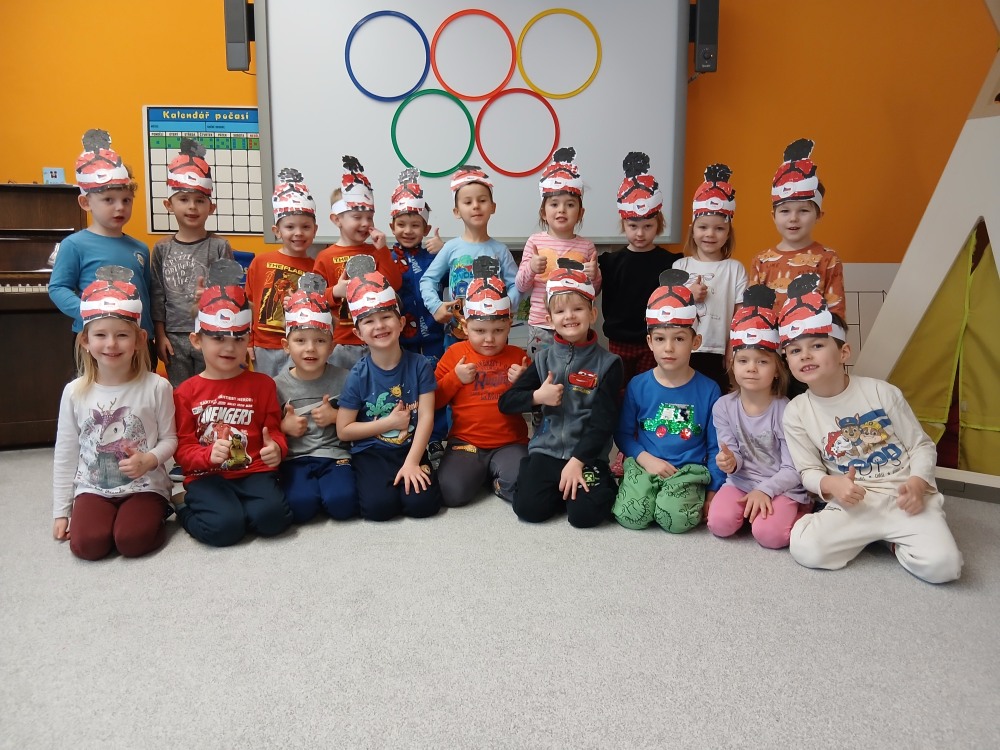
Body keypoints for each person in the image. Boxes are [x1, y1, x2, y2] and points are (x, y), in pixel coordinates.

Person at [779, 274, 963, 583]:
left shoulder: (881, 392)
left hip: (902, 496)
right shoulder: (796, 411)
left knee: (945, 567)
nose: (805, 355)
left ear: (844, 353)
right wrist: (831, 484)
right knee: (806, 549)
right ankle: (860, 533)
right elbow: (808, 470)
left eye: (817, 345)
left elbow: (921, 446)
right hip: (854, 501)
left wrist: (917, 484)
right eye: (795, 351)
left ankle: (891, 541)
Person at [52, 266, 176, 560]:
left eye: (122, 335)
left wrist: (150, 459)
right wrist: (61, 511)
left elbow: (170, 439)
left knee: (132, 541)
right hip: (93, 488)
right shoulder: (74, 391)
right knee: (88, 545)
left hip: (146, 486)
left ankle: (161, 508)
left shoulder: (157, 386)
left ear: (140, 339)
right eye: (100, 335)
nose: (111, 344)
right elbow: (66, 452)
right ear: (85, 341)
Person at [172, 259, 293, 546]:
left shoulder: (263, 385)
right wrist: (206, 456)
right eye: (217, 338)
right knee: (225, 530)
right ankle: (183, 506)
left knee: (274, 520)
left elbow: (274, 431)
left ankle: (237, 510)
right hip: (206, 475)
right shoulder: (185, 392)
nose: (229, 347)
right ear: (197, 340)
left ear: (248, 341)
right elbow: (183, 449)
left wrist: (277, 448)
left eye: (239, 339)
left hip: (254, 470)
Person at [498, 260, 622, 527]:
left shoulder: (609, 364)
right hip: (547, 451)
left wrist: (578, 461)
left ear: (592, 314)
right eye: (560, 311)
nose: (569, 316)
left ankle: (598, 483)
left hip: (586, 455)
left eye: (578, 309)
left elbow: (603, 423)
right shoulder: (543, 360)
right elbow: (506, 402)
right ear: (549, 319)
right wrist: (537, 397)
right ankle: (549, 484)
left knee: (584, 517)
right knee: (529, 510)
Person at [612, 269, 726, 534]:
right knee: (631, 516)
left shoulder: (710, 390)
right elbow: (623, 434)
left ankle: (670, 497)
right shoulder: (638, 385)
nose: (669, 348)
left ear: (695, 341)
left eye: (679, 339)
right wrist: (646, 460)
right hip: (646, 464)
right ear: (650, 342)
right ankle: (649, 492)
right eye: (660, 339)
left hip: (688, 471)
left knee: (676, 521)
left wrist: (713, 491)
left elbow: (716, 446)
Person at [335, 256, 442, 521]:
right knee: (379, 509)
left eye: (386, 317)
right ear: (359, 333)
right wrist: (388, 423)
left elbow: (426, 417)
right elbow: (344, 430)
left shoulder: (419, 365)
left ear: (401, 323)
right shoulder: (358, 375)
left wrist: (413, 462)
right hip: (371, 452)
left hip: (410, 447)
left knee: (422, 506)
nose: (380, 326)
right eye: (369, 321)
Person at [706, 285, 811, 548]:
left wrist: (765, 490)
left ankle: (803, 510)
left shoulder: (787, 409)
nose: (751, 368)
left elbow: (793, 468)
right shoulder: (723, 406)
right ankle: (753, 512)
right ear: (733, 365)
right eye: (743, 361)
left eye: (762, 362)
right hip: (741, 481)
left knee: (770, 536)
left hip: (782, 486)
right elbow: (732, 454)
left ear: (777, 370)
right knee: (719, 524)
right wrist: (730, 462)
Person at [49, 129, 156, 368]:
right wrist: (90, 311)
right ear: (85, 202)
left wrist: (149, 334)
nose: (120, 207)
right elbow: (58, 288)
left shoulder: (140, 248)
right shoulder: (74, 244)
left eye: (126, 200)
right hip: (95, 341)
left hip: (138, 340)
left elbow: (146, 295)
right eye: (109, 200)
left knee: (140, 388)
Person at [435, 258, 531, 507]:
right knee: (450, 493)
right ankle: (480, 474)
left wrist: (523, 384)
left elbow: (535, 403)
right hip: (465, 442)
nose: (489, 339)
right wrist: (455, 378)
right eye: (480, 331)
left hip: (510, 443)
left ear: (509, 324)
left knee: (526, 486)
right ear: (465, 326)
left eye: (498, 331)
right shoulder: (454, 354)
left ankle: (495, 481)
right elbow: (434, 401)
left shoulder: (518, 356)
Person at [273, 273, 357, 522]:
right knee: (300, 508)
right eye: (300, 341)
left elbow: (363, 417)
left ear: (332, 346)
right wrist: (283, 426)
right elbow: (264, 429)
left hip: (336, 456)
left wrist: (337, 416)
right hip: (295, 459)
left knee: (344, 505)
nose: (310, 348)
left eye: (320, 341)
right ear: (286, 346)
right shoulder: (276, 385)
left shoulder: (346, 378)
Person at [150, 138, 234, 388]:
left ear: (211, 207)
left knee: (212, 389)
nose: (192, 207)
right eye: (184, 199)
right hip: (174, 337)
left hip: (211, 332)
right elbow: (157, 295)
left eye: (199, 200)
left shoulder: (219, 246)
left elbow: (230, 295)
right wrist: (160, 335)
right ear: (169, 205)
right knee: (182, 394)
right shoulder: (161, 249)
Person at [598, 151, 682, 389]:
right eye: (633, 226)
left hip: (653, 340)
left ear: (659, 224)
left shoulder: (670, 262)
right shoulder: (610, 262)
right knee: (618, 390)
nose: (640, 233)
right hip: (619, 339)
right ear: (623, 224)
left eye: (648, 226)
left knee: (648, 388)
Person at [314, 155, 402, 370]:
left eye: (370, 217)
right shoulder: (325, 257)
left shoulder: (376, 251)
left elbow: (395, 284)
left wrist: (383, 250)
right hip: (341, 343)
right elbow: (314, 299)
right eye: (357, 217)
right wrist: (335, 292)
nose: (365, 223)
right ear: (336, 219)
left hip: (377, 340)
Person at [419, 165, 520, 347]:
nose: (475, 206)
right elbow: (428, 280)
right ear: (456, 211)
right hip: (457, 332)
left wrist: (507, 305)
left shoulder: (500, 250)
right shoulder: (450, 248)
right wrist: (435, 306)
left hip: (493, 335)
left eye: (482, 200)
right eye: (467, 202)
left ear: (493, 207)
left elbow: (516, 284)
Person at [515, 147, 601, 357]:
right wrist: (532, 268)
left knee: (575, 368)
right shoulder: (535, 242)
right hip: (541, 324)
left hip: (575, 326)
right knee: (540, 370)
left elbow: (595, 291)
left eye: (570, 205)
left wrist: (594, 276)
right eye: (554, 204)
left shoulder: (587, 246)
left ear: (580, 213)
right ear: (543, 212)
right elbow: (521, 285)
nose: (562, 209)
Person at [386, 168, 447, 465]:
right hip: (401, 341)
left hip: (434, 336)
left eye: (415, 225)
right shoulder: (387, 258)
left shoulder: (434, 255)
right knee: (406, 388)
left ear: (426, 228)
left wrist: (445, 251)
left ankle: (435, 438)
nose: (408, 230)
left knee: (436, 386)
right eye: (401, 224)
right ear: (392, 226)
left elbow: (455, 279)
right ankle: (408, 436)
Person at [672, 163, 747, 393]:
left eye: (719, 229)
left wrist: (733, 347)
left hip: (718, 350)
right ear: (692, 230)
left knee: (715, 398)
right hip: (684, 348)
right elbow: (669, 308)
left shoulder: (735, 269)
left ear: (729, 232)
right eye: (703, 227)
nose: (710, 234)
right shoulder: (680, 266)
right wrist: (687, 295)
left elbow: (740, 314)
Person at [750, 138, 845, 319]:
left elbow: (836, 312)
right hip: (770, 337)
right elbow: (754, 312)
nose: (793, 218)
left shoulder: (828, 259)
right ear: (774, 216)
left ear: (818, 216)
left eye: (803, 211)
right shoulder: (760, 261)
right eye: (785, 211)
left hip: (813, 337)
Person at [245, 167, 318, 377]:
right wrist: (248, 342)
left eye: (306, 227)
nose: (298, 233)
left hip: (301, 347)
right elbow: (249, 304)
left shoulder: (317, 268)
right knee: (266, 391)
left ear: (315, 230)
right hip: (264, 348)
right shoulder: (261, 262)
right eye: (290, 227)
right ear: (277, 231)